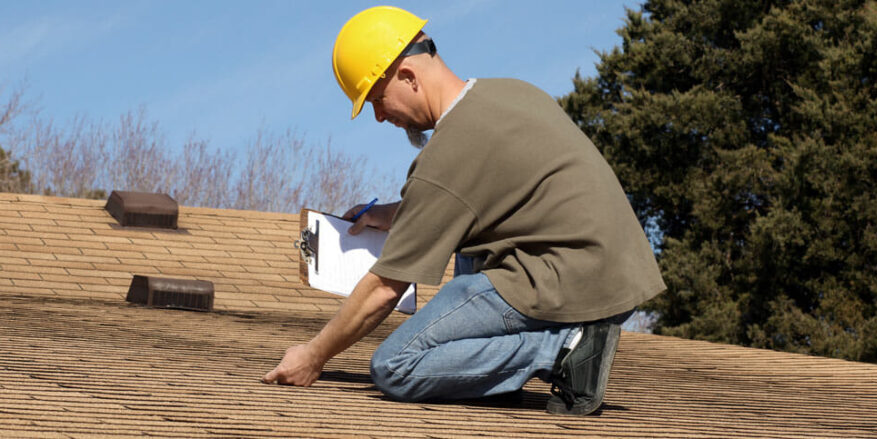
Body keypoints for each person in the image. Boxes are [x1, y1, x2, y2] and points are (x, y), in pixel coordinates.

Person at [262, 6, 665, 415]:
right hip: (611, 271)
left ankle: (564, 349)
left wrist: (314, 354)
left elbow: (385, 287)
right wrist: (393, 213)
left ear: (407, 76)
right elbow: (473, 197)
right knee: (468, 243)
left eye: (376, 100)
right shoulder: (508, 93)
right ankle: (496, 379)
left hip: (568, 282)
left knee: (394, 366)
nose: (380, 117)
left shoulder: (448, 153)